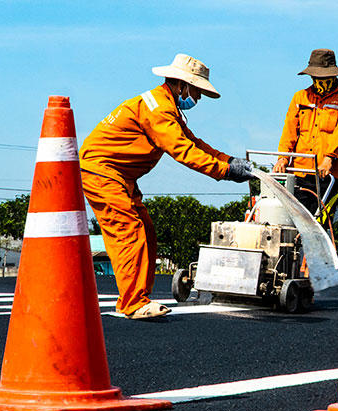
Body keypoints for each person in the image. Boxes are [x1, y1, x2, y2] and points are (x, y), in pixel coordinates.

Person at [80, 54, 255, 321]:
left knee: (146, 231)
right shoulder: (159, 110)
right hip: (102, 173)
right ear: (182, 85)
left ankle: (138, 297)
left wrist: (229, 160)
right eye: (197, 91)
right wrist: (225, 171)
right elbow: (183, 150)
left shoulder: (164, 105)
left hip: (118, 176)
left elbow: (194, 142)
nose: (198, 99)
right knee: (129, 231)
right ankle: (133, 303)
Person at [272, 48, 338, 228]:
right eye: (316, 77)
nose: (319, 80)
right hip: (299, 171)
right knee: (294, 222)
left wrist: (329, 158)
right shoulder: (300, 97)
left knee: (320, 224)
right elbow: (289, 131)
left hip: (328, 173)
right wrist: (283, 158)